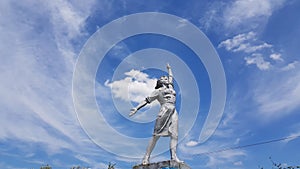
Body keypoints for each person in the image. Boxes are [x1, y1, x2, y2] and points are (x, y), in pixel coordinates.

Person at [129, 63, 183, 165]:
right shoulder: (157, 91)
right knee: (156, 135)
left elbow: (171, 77)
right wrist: (136, 108)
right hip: (164, 110)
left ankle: (174, 157)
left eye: (165, 77)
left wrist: (169, 69)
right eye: (163, 78)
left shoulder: (170, 86)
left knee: (174, 135)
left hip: (173, 111)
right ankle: (146, 156)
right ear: (159, 82)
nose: (165, 78)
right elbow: (146, 100)